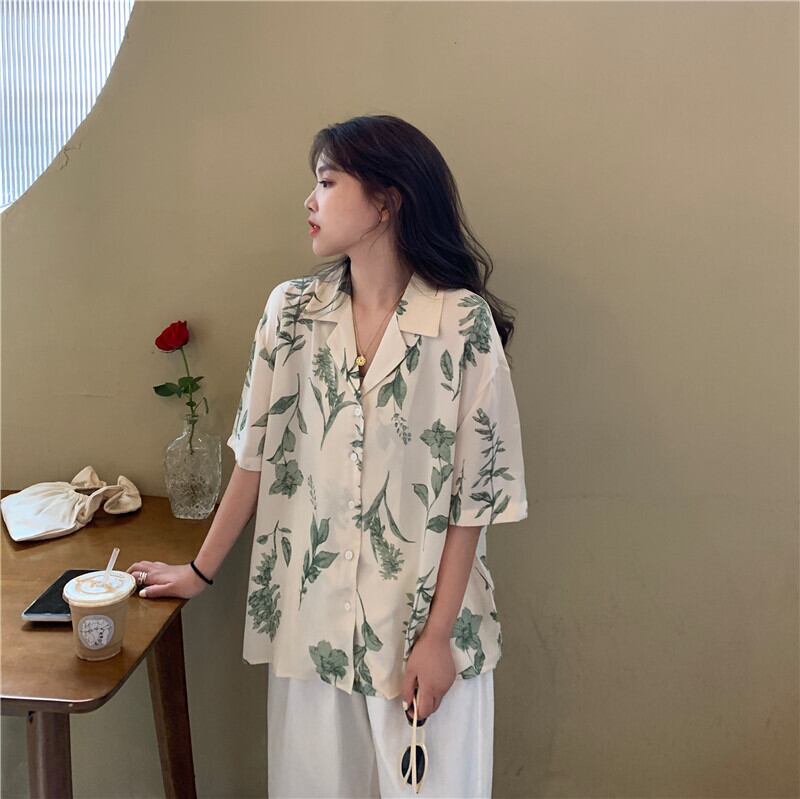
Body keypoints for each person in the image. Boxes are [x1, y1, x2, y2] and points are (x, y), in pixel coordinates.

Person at [126, 114, 528, 798]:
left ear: (386, 200)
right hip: (311, 632)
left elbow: (475, 498)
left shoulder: (463, 324)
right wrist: (198, 571)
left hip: (420, 640)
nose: (309, 200)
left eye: (327, 181)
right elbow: (255, 457)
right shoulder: (290, 315)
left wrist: (437, 639)